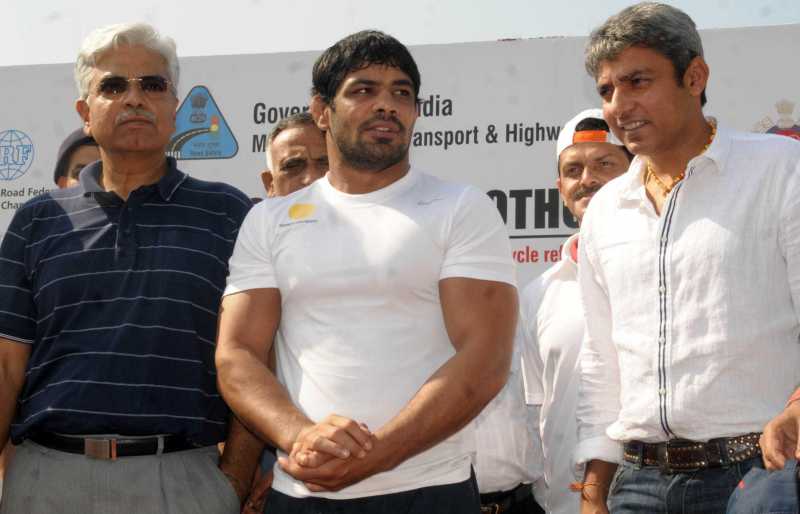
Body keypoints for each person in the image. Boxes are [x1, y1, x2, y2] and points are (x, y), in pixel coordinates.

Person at [215, 30, 518, 514]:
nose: (386, 105)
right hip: (301, 493)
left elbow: (486, 357)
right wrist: (302, 437)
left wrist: (376, 456)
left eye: (401, 93)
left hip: (429, 490)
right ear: (321, 110)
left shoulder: (459, 207)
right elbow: (238, 356)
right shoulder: (268, 220)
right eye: (363, 90)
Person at [0, 22, 261, 514]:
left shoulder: (230, 214)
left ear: (175, 107)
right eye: (114, 85)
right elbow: (6, 366)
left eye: (153, 85)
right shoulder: (36, 220)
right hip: (45, 480)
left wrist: (236, 478)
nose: (135, 98)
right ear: (85, 112)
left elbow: (255, 353)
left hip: (184, 482)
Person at [573, 3, 800, 514]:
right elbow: (601, 363)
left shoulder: (781, 171)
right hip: (634, 485)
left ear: (694, 76)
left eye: (637, 82)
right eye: (607, 91)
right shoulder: (607, 208)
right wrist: (595, 490)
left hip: (759, 480)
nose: (620, 105)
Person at [519, 109, 630, 514]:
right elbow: (535, 414)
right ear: (560, 188)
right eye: (574, 169)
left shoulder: (670, 269)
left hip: (664, 495)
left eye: (605, 164)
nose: (588, 180)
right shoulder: (538, 294)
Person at [261, 111, 328, 197]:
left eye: (325, 164)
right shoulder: (256, 210)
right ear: (270, 184)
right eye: (293, 166)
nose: (312, 179)